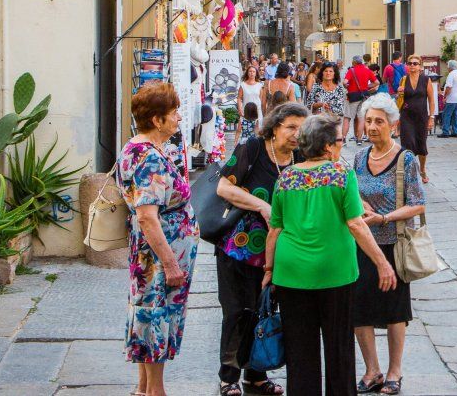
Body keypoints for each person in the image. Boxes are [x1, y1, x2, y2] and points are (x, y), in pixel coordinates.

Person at [262, 115, 395, 396]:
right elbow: (356, 223)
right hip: (334, 273)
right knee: (338, 348)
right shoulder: (340, 174)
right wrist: (382, 263)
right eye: (338, 140)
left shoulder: (286, 178)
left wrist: (269, 270)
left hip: (291, 273)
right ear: (326, 147)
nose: (340, 146)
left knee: (300, 351)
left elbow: (275, 229)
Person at [214, 102, 308, 396]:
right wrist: (263, 206)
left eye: (301, 129)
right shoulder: (252, 148)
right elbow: (224, 188)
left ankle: (256, 375)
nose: (296, 134)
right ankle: (228, 376)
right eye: (291, 127)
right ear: (275, 126)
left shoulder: (301, 157)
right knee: (236, 311)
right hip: (238, 248)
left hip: (279, 251)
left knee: (264, 310)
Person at [118, 83, 198, 396]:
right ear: (157, 120)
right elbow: (147, 216)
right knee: (155, 318)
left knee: (149, 315)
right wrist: (170, 263)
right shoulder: (146, 157)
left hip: (156, 254)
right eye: (173, 112)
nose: (178, 118)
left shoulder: (145, 149)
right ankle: (156, 392)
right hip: (158, 259)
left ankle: (144, 389)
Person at [351, 94, 426, 396]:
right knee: (359, 310)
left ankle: (395, 371)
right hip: (361, 244)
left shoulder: (404, 159)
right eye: (368, 121)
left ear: (393, 125)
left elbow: (418, 204)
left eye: (379, 121)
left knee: (395, 311)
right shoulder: (358, 158)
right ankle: (372, 370)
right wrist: (360, 205)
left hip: (393, 243)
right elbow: (351, 194)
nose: (372, 127)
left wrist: (382, 217)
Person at [398, 55, 438, 184]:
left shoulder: (426, 80)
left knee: (421, 146)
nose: (412, 66)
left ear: (420, 66)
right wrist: (399, 93)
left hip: (421, 117)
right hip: (406, 116)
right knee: (407, 144)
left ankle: (422, 168)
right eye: (410, 63)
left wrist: (431, 117)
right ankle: (410, 171)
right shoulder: (404, 80)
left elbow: (431, 100)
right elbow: (399, 100)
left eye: (415, 63)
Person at [344, 55, 380, 143]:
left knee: (347, 117)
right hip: (364, 96)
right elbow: (376, 82)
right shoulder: (367, 70)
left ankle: (343, 138)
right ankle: (359, 139)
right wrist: (367, 87)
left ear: (354, 62)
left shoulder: (351, 70)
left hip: (352, 97)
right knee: (361, 118)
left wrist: (346, 86)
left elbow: (345, 82)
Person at [439, 60, 457, 137]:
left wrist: (445, 97)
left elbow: (449, 87)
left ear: (450, 67)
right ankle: (455, 132)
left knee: (446, 115)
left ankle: (445, 132)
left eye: (448, 66)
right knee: (456, 115)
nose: (447, 67)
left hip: (451, 98)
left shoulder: (451, 74)